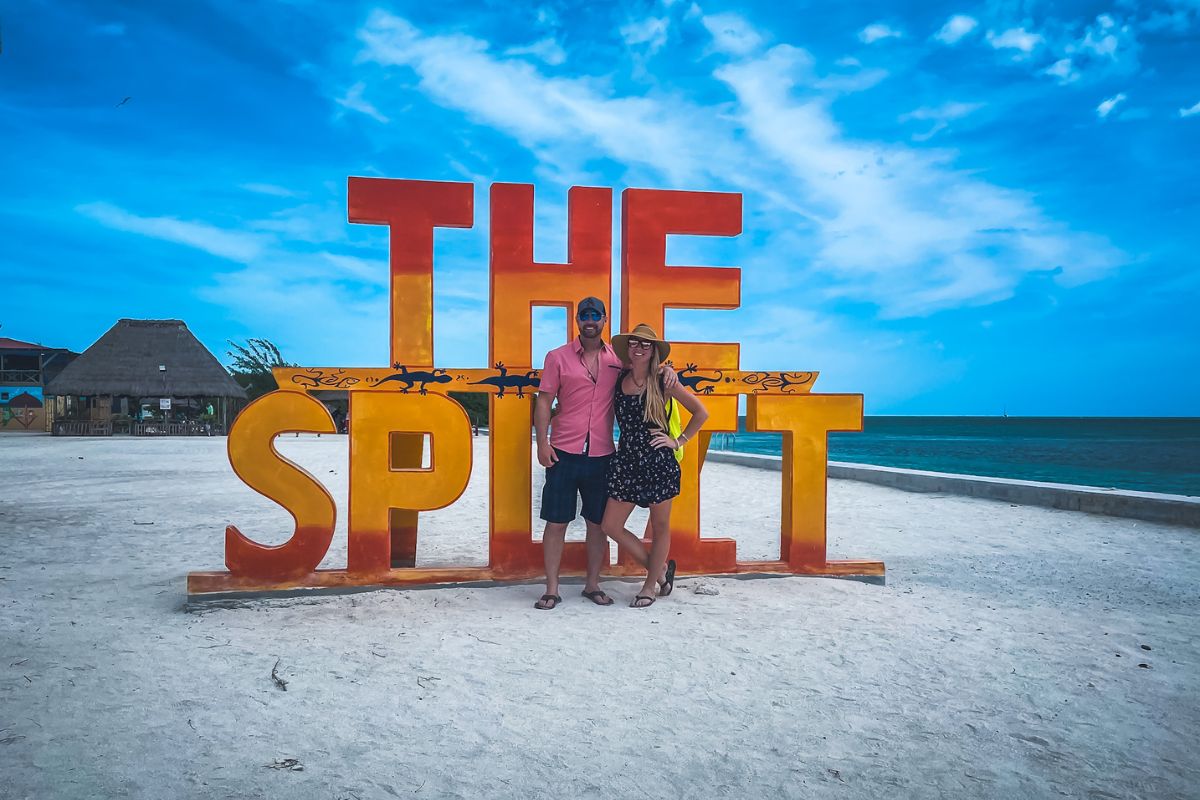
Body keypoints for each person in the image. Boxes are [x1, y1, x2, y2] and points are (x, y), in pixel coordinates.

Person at [532, 297, 678, 610]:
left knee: (597, 525)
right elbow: (544, 401)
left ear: (604, 319)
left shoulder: (618, 360)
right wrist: (542, 443)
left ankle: (593, 585)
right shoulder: (556, 357)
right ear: (577, 320)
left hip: (602, 456)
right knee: (556, 523)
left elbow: (646, 367)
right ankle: (552, 589)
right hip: (562, 451)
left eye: (595, 315)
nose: (589, 320)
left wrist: (669, 371)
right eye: (584, 314)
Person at [602, 324, 709, 608]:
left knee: (660, 527)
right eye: (634, 343)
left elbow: (701, 412)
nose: (638, 348)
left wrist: (678, 441)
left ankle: (649, 586)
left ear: (653, 352)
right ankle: (660, 570)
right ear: (628, 349)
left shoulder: (664, 380)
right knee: (611, 525)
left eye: (645, 345)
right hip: (626, 461)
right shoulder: (619, 378)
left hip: (658, 462)